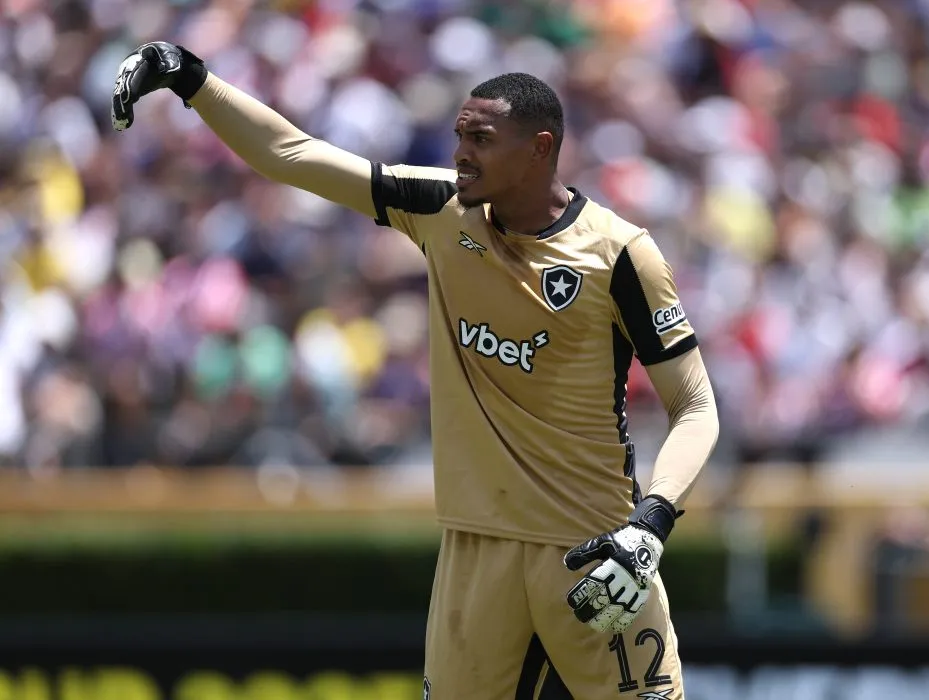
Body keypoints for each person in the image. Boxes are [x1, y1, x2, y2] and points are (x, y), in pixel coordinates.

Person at [111, 41, 720, 700]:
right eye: (460, 134)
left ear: (540, 148)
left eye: (481, 139)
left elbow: (695, 406)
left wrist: (649, 526)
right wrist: (192, 78)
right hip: (475, 553)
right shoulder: (439, 211)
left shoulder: (621, 255)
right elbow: (291, 154)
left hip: (597, 552)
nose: (460, 152)